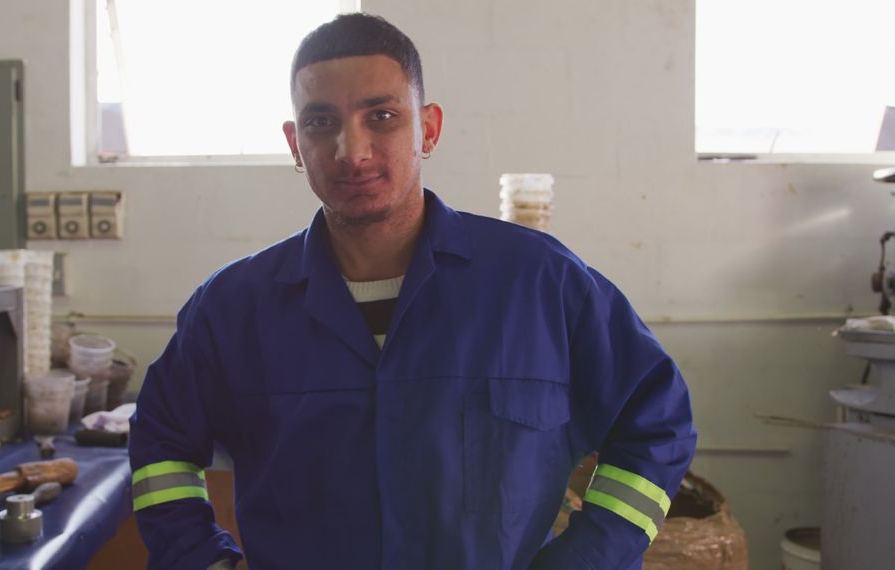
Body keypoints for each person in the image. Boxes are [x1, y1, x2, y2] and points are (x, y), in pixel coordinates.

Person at [129, 13, 695, 570]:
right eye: (321, 123)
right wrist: (199, 560)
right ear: (294, 143)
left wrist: (587, 560)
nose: (352, 151)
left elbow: (657, 421)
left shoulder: (539, 284)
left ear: (428, 128)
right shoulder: (233, 310)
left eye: (381, 115)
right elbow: (160, 442)